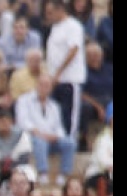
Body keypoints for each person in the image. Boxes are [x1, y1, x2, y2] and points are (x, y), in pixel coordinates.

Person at [13, 74, 74, 188]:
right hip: (32, 137)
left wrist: (57, 136)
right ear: (36, 85)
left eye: (47, 86)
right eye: (42, 85)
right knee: (39, 141)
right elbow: (23, 122)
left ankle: (63, 175)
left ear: (51, 88)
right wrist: (40, 134)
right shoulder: (24, 100)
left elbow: (59, 127)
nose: (44, 88)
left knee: (69, 142)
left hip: (51, 139)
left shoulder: (54, 105)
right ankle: (43, 173)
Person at [41, 0, 84, 143]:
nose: (48, 15)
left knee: (69, 115)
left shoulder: (73, 26)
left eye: (50, 12)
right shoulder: (55, 27)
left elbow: (74, 49)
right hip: (55, 80)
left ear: (60, 10)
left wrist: (59, 72)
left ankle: (70, 143)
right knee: (56, 114)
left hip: (69, 79)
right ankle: (58, 142)